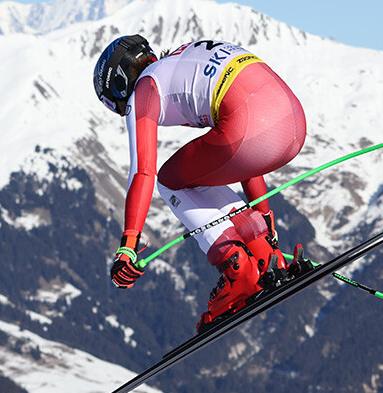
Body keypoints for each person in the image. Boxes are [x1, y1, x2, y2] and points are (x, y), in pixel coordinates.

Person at [93, 34, 308, 330]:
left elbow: (143, 171)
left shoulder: (143, 90)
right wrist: (265, 219)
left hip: (252, 129)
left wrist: (128, 245)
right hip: (294, 122)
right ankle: (263, 253)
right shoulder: (181, 60)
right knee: (204, 168)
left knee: (169, 180)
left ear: (118, 82)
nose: (119, 109)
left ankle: (238, 269)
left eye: (111, 102)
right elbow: (246, 159)